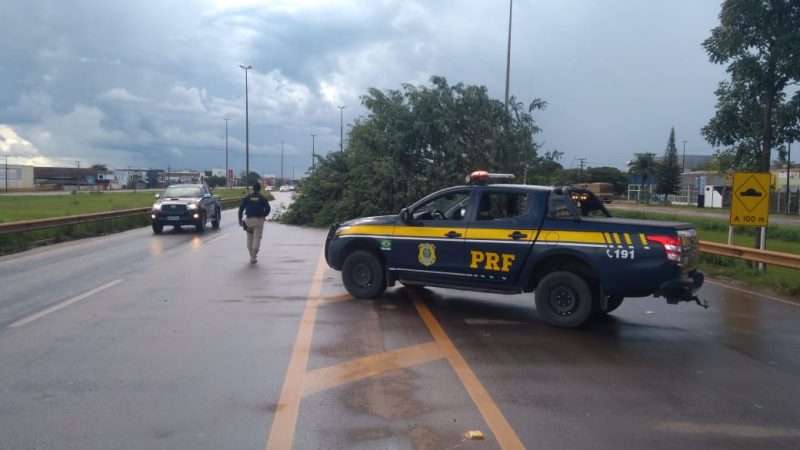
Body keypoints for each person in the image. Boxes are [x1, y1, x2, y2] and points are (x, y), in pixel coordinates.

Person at [238, 182, 271, 264]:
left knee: (250, 239)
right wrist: (263, 215)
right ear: (260, 189)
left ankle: (252, 255)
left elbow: (241, 209)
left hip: (248, 221)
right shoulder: (262, 198)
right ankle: (253, 256)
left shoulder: (247, 197)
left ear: (253, 189)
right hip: (258, 221)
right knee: (257, 239)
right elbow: (268, 209)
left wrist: (240, 219)